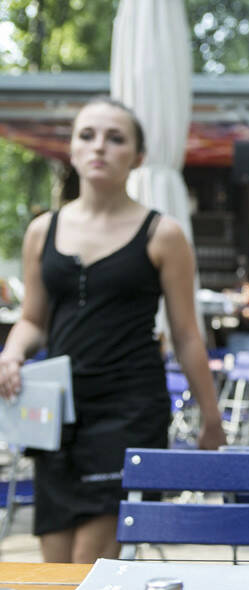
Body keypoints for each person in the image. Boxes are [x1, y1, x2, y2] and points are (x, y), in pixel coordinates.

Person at [0, 97, 226, 564]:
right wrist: (12, 354)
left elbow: (185, 334)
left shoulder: (162, 234)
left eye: (115, 137)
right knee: (56, 567)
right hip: (57, 412)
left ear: (137, 158)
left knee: (88, 567)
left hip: (129, 409)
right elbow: (32, 320)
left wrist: (211, 417)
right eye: (87, 135)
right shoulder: (43, 231)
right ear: (72, 149)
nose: (99, 146)